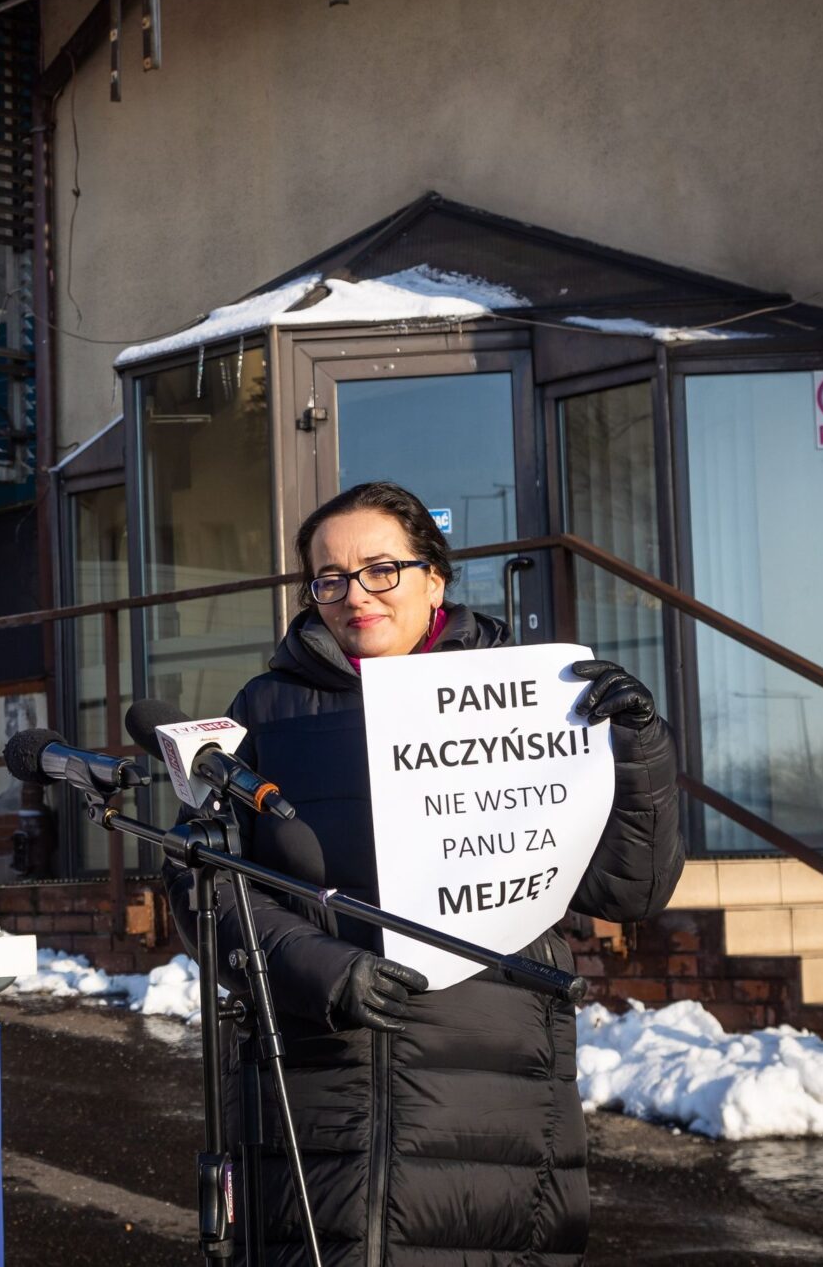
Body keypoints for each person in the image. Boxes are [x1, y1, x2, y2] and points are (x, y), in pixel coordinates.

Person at [188, 480, 683, 1266]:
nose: (356, 594)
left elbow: (628, 889)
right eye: (331, 578)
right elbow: (206, 884)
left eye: (381, 568)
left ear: (435, 577)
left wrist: (640, 752)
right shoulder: (267, 710)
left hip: (492, 1091)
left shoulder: (536, 702)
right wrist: (322, 969)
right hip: (314, 1086)